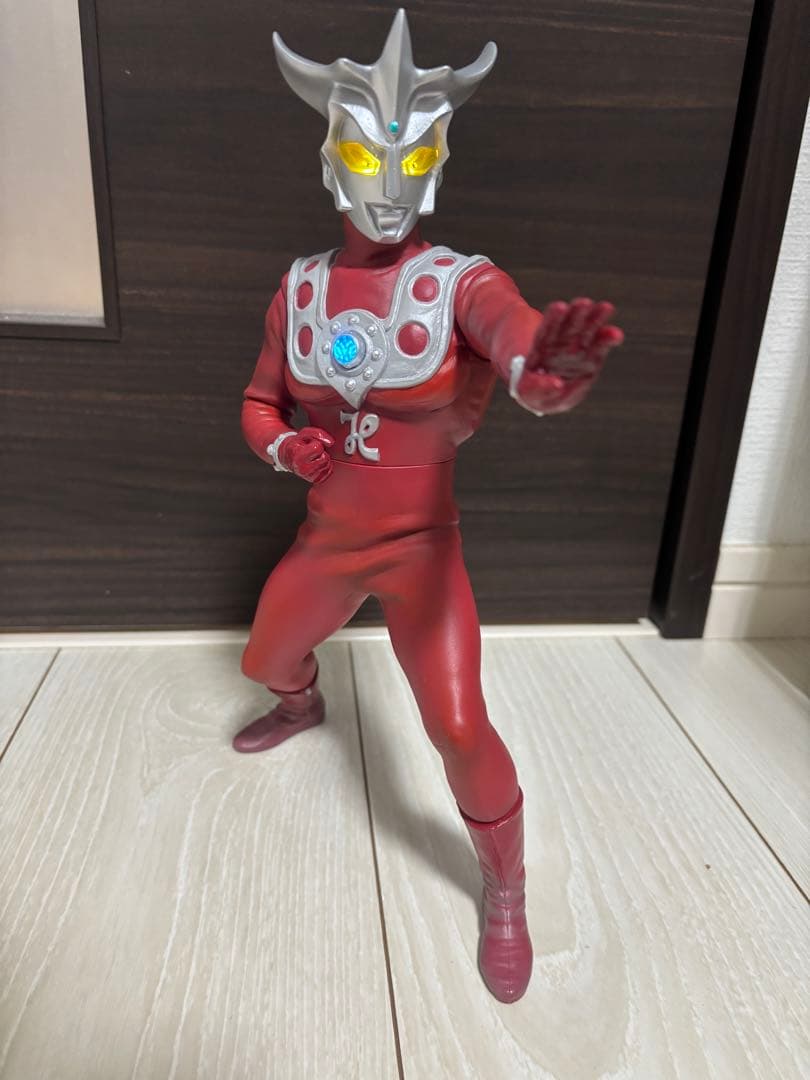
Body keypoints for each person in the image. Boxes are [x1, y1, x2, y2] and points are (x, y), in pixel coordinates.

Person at [234, 9, 623, 1004]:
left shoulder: (457, 282)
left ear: (438, 160)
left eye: (413, 155)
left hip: (421, 556)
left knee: (455, 726)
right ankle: (304, 704)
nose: (390, 180)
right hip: (329, 540)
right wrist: (284, 444)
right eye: (370, 152)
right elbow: (259, 402)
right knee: (263, 661)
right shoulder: (300, 290)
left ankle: (506, 886)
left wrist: (543, 370)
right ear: (333, 157)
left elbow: (514, 333)